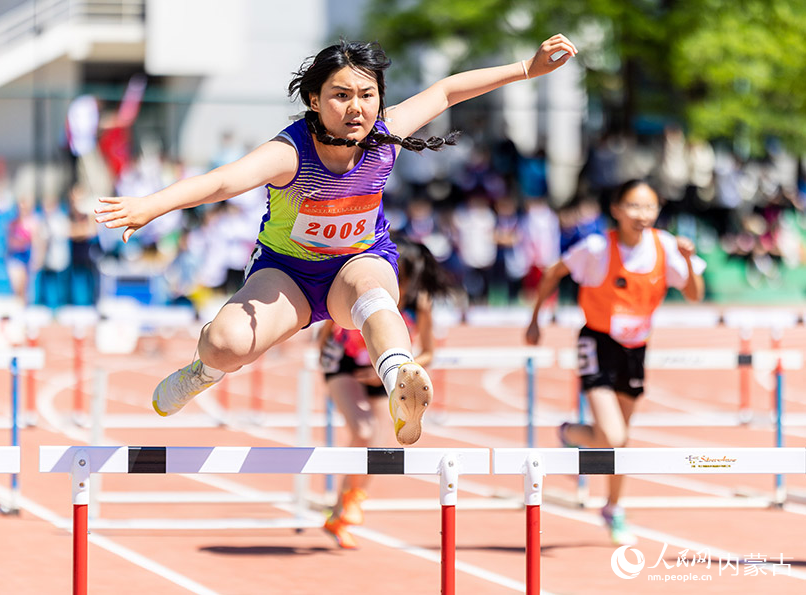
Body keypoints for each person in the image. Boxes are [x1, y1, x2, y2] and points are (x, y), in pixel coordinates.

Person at [95, 34, 577, 447]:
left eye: (367, 95)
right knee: (226, 344)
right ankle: (203, 371)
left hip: (359, 262)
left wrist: (526, 69)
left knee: (374, 291)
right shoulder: (290, 153)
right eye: (341, 95)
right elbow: (224, 181)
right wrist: (150, 205)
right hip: (288, 273)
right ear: (314, 100)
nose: (356, 108)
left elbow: (447, 91)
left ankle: (400, 382)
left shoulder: (386, 133)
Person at [525, 179, 706, 545]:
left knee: (621, 442)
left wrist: (688, 262)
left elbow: (694, 295)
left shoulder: (666, 246)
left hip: (636, 347)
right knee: (613, 435)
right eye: (634, 207)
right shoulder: (596, 248)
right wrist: (535, 319)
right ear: (617, 210)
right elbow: (553, 272)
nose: (642, 215)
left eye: (650, 207)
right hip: (598, 341)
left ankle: (613, 507)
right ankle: (569, 433)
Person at [320, 238, 453, 548]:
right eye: (398, 280)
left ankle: (343, 507)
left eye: (406, 283)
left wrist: (398, 369)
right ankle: (347, 502)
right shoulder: (367, 289)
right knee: (364, 431)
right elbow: (327, 329)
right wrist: (324, 357)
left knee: (378, 444)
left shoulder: (419, 304)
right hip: (345, 364)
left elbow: (429, 352)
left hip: (386, 372)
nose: (400, 289)